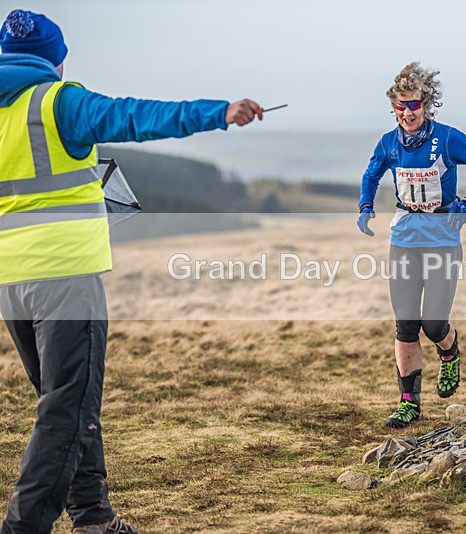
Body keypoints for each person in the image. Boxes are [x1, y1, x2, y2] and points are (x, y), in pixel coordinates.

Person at [0, 10, 264, 533]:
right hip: (65, 277)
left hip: (10, 283)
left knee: (66, 403)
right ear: (56, 58)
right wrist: (219, 112)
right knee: (65, 412)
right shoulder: (59, 101)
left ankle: (94, 518)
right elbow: (134, 115)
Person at [357, 62, 466, 428]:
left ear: (427, 104)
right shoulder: (388, 143)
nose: (407, 112)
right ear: (393, 107)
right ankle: (409, 402)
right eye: (400, 105)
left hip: (442, 241)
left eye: (414, 105)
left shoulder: (449, 138)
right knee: (405, 325)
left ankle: (450, 352)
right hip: (404, 239)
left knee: (433, 325)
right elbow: (371, 174)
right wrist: (365, 205)